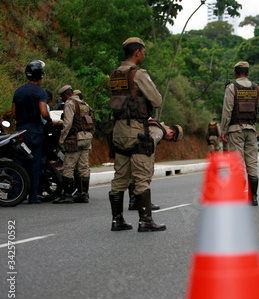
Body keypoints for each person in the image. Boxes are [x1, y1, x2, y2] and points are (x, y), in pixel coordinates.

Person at [107, 37, 176, 232]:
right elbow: (156, 100)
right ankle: (145, 220)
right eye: (143, 51)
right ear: (137, 52)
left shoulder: (114, 74)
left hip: (118, 131)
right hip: (135, 130)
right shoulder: (138, 74)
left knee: (120, 176)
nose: (144, 55)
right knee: (142, 175)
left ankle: (117, 220)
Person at [221, 61, 259, 206]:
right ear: (248, 73)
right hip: (251, 130)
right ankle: (253, 198)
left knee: (237, 164)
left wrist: (223, 130)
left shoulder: (232, 87)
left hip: (235, 130)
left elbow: (227, 110)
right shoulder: (256, 88)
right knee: (252, 163)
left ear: (235, 73)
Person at [11, 60, 52, 204]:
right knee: (34, 164)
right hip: (35, 133)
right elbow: (43, 112)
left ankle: (14, 194)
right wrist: (49, 119)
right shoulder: (40, 92)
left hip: (20, 133)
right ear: (40, 75)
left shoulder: (19, 91)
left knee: (18, 163)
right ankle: (33, 197)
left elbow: (14, 114)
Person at [52, 85, 94, 204]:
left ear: (66, 94)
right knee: (83, 167)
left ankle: (67, 195)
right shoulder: (84, 104)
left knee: (68, 166)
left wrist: (61, 140)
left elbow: (67, 124)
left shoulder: (70, 103)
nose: (62, 99)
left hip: (75, 139)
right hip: (87, 137)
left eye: (62, 97)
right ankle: (83, 194)